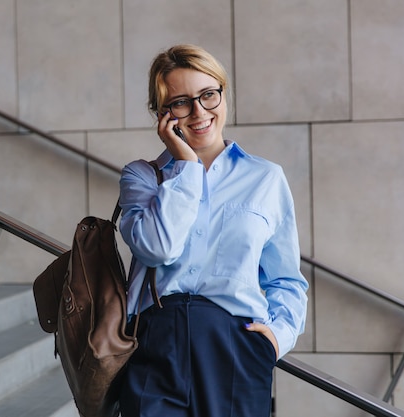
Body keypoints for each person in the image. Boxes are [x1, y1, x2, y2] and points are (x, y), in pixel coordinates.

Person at [117, 44, 309, 417]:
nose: (199, 112)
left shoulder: (266, 178)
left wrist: (275, 339)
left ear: (223, 94)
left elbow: (286, 280)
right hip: (156, 345)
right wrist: (187, 166)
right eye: (181, 102)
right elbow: (157, 249)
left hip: (237, 348)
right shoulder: (142, 177)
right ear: (163, 114)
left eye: (208, 95)